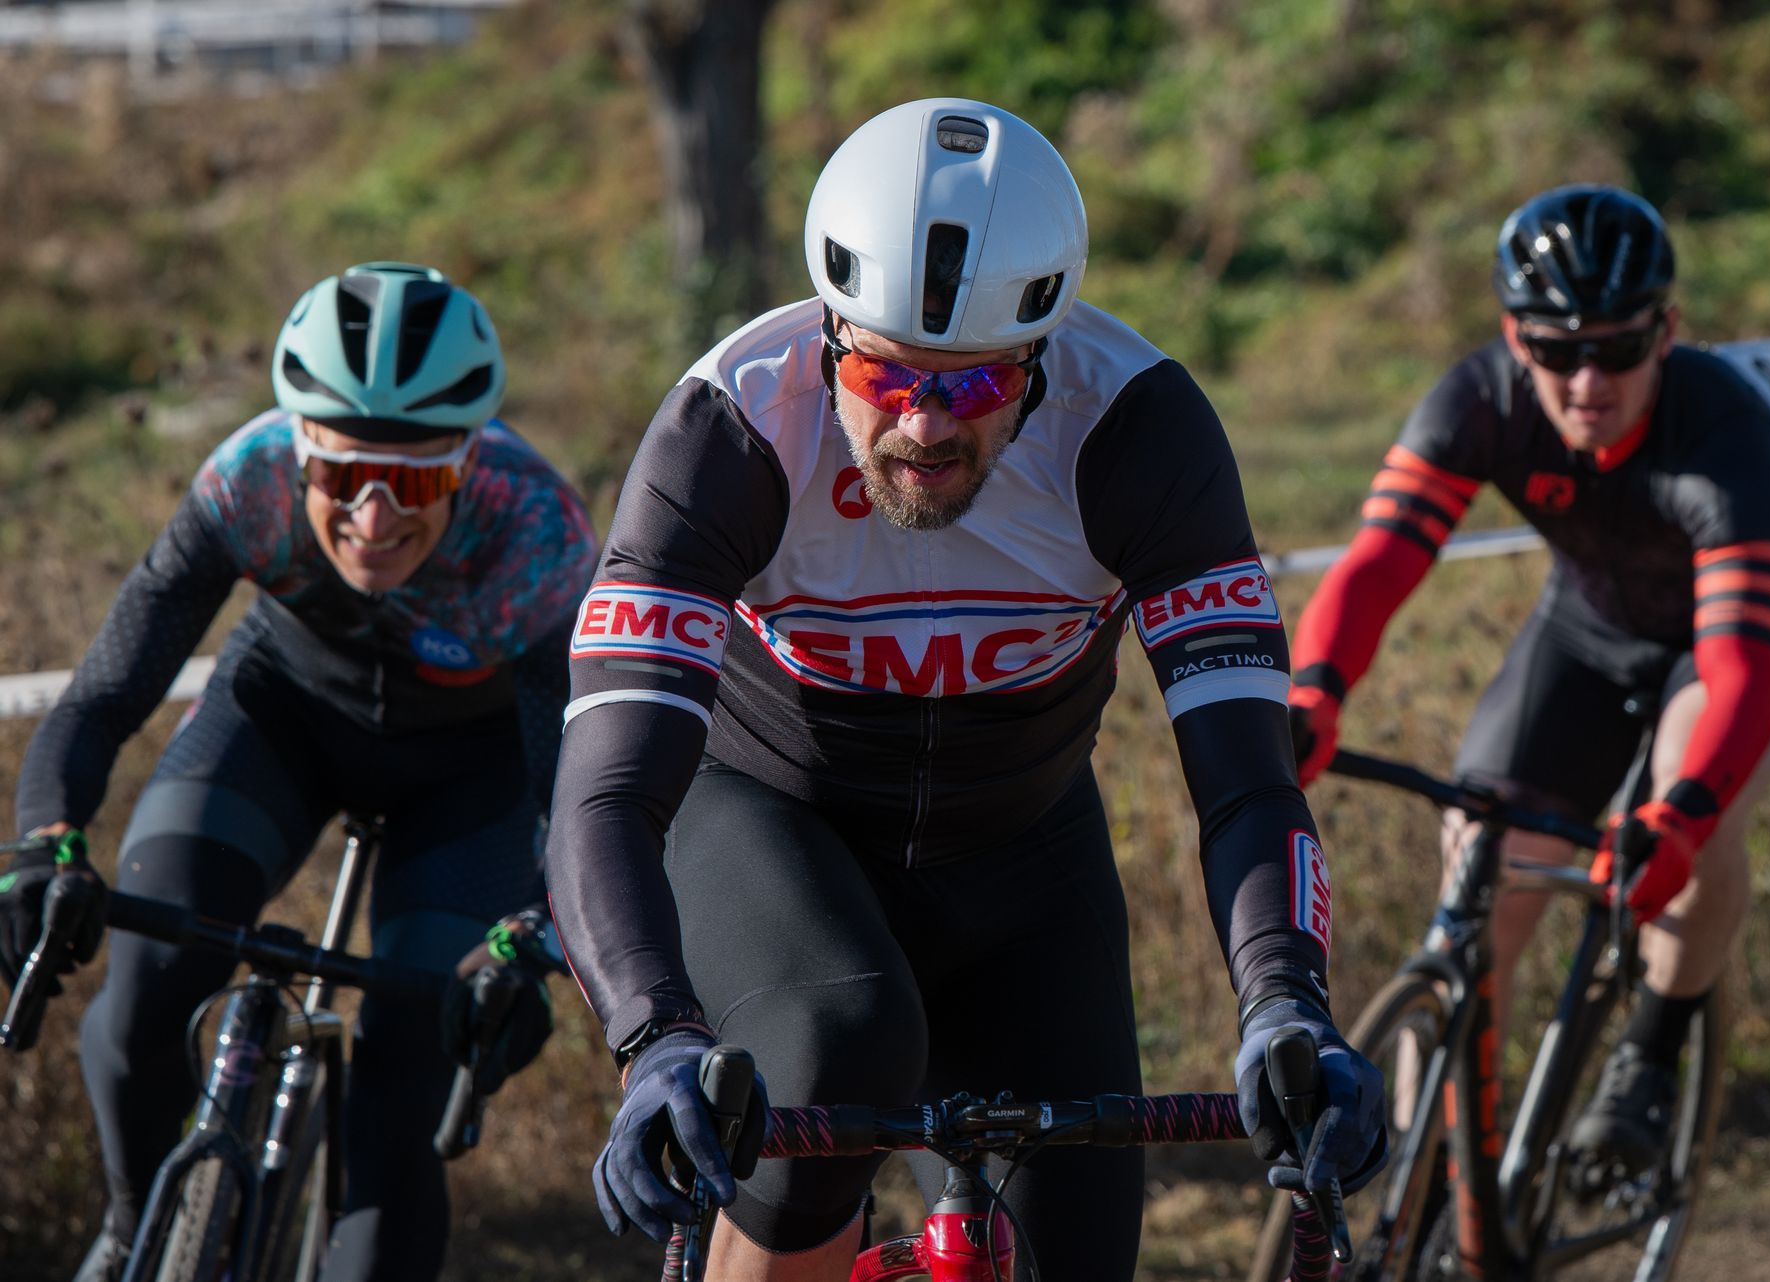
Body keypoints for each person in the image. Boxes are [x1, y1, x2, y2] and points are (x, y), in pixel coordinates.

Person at [545, 98, 1387, 1281]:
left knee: (1081, 1246)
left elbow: (1248, 784)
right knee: (841, 1041)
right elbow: (607, 793)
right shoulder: (731, 430)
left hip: (1024, 848)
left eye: (978, 384)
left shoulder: (1137, 430)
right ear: (832, 337)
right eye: (888, 374)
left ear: (1042, 356)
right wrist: (656, 1039)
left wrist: (1288, 1002)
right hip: (768, 818)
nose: (926, 424)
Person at [0, 263, 598, 1281]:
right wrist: (44, 842)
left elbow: (574, 796)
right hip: (281, 718)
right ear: (297, 456)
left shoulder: (534, 535)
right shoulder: (247, 479)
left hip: (468, 778)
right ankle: (137, 1223)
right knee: (142, 997)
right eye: (338, 475)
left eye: (412, 480)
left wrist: (534, 949)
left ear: (464, 464)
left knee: (406, 1086)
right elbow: (103, 695)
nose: (373, 516)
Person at [1286, 185, 1770, 1177]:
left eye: (1618, 348)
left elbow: (1740, 668)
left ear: (1666, 332)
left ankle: (1650, 1053)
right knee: (1478, 874)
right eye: (1553, 347)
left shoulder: (1726, 438)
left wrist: (1684, 817)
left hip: (1741, 647)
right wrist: (1313, 693)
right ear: (1512, 336)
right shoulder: (1480, 399)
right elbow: (1376, 564)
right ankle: (1432, 1181)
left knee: (1691, 798)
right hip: (1589, 630)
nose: (1586, 380)